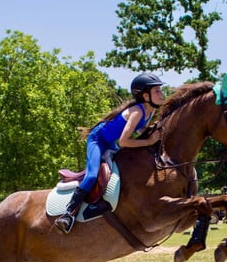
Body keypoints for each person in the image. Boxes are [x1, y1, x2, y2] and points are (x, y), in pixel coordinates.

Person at [55, 72, 166, 234]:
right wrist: (149, 142)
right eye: (157, 91)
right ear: (145, 95)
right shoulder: (137, 111)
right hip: (97, 141)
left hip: (110, 142)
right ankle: (68, 214)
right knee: (92, 176)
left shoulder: (149, 112)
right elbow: (124, 142)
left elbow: (141, 129)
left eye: (160, 91)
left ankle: (105, 203)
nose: (161, 94)